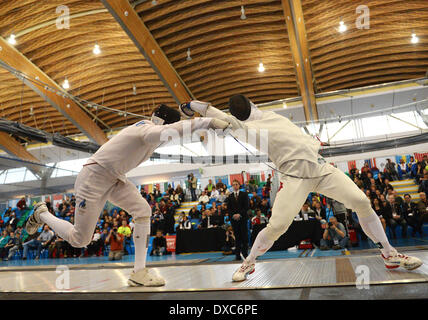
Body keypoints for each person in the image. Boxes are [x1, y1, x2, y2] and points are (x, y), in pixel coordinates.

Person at [180, 96, 423, 281]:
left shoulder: (271, 115)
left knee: (361, 201)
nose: (246, 109)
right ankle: (249, 261)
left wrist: (314, 143)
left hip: (320, 169)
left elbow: (294, 136)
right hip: (294, 178)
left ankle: (390, 253)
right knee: (277, 226)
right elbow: (218, 117)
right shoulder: (243, 128)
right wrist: (195, 107)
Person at [25, 104, 229, 287]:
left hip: (114, 177)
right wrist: (207, 121)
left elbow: (170, 129)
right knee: (80, 239)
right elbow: (169, 130)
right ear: (163, 124)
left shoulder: (147, 132)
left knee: (142, 211)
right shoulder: (146, 130)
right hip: (94, 178)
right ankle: (42, 213)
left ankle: (139, 272)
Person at [225, 179, 249, 261]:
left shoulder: (244, 194)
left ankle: (245, 255)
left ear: (239, 185)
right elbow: (229, 209)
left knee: (244, 237)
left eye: (236, 184)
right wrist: (234, 215)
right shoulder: (230, 196)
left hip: (242, 219)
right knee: (237, 238)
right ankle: (237, 256)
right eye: (233, 184)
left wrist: (239, 214)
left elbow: (246, 206)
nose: (235, 186)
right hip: (234, 220)